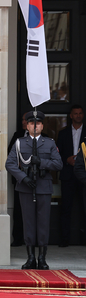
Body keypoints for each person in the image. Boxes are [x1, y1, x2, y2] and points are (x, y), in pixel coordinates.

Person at [6, 110, 63, 270]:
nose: (35, 126)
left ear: (42, 125)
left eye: (38, 123)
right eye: (32, 123)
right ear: (28, 125)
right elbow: (9, 163)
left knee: (43, 223)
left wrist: (42, 162)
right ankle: (30, 257)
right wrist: (23, 178)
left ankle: (42, 258)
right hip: (26, 187)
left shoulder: (50, 143)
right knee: (29, 222)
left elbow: (58, 164)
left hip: (43, 187)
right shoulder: (19, 143)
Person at [56, 104, 86, 247]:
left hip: (84, 176)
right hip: (67, 175)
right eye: (75, 113)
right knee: (66, 208)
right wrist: (66, 160)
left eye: (80, 113)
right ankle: (64, 239)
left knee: (84, 208)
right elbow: (56, 155)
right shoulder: (63, 133)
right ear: (71, 116)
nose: (78, 115)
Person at [7, 113, 28, 247]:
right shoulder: (17, 135)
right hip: (19, 178)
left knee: (35, 212)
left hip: (36, 180)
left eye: (24, 120)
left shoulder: (45, 137)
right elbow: (10, 154)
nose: (22, 122)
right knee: (18, 211)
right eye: (22, 119)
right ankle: (18, 238)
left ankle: (35, 240)